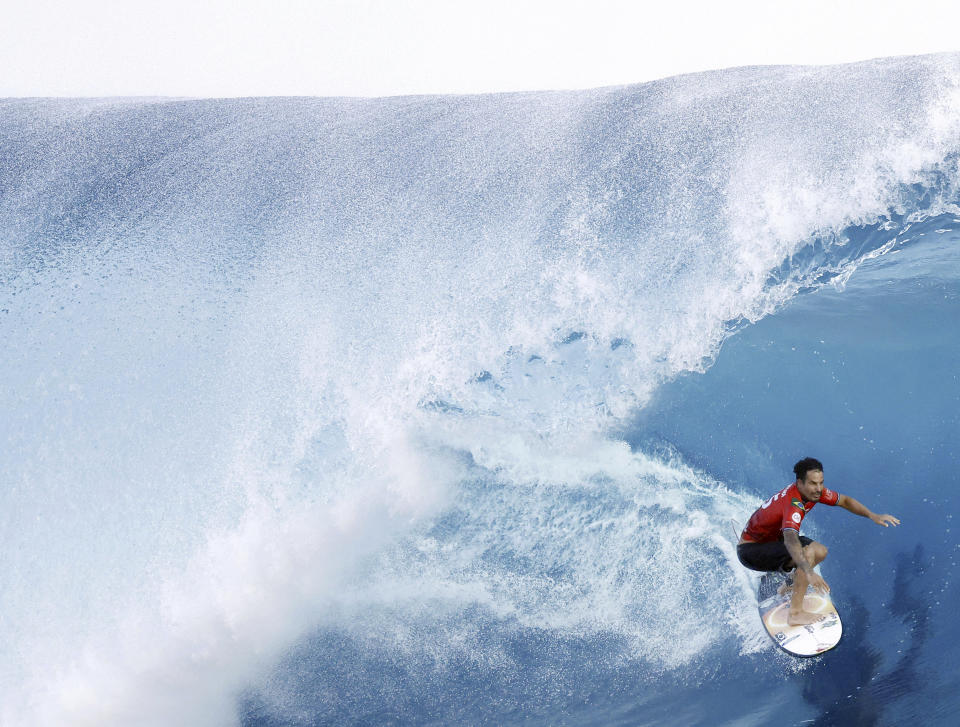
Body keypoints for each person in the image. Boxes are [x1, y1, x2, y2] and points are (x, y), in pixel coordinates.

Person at [737, 457, 900, 626]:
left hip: (771, 539)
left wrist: (872, 515)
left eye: (821, 483)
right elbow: (791, 540)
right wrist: (808, 571)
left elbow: (845, 501)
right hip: (751, 551)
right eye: (813, 484)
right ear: (799, 483)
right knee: (808, 555)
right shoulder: (794, 504)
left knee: (820, 551)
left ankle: (790, 584)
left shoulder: (812, 492)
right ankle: (795, 613)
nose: (819, 489)